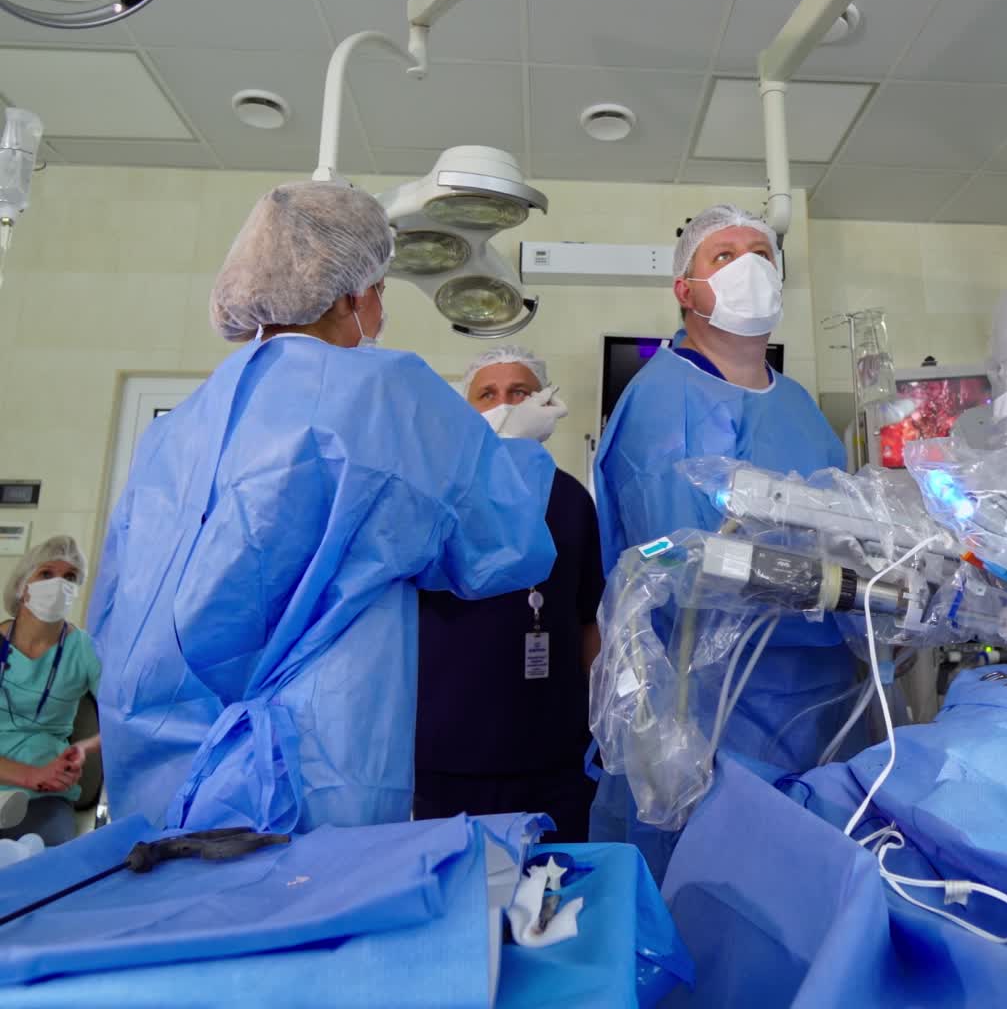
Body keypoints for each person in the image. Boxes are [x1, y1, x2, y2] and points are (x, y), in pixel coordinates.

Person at [90, 182, 557, 834]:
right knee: (315, 920)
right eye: (383, 287)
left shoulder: (179, 428)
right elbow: (495, 542)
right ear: (351, 294)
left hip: (160, 773)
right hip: (313, 766)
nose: (382, 303)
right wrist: (511, 449)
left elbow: (112, 607)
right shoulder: (382, 394)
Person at [591, 203, 856, 880]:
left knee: (803, 887)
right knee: (718, 891)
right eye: (724, 255)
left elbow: (847, 531)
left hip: (817, 694)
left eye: (761, 254)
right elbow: (689, 567)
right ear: (685, 290)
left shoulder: (796, 403)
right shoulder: (663, 401)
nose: (749, 268)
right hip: (709, 702)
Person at [415, 346, 603, 841]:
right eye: (488, 394)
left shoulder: (569, 499)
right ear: (466, 409)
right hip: (449, 749)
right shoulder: (436, 494)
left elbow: (589, 621)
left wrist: (607, 720)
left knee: (559, 892)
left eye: (520, 393)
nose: (506, 404)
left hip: (553, 751)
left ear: (543, 404)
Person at [0, 537, 100, 846]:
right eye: (46, 573)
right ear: (22, 584)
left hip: (45, 795)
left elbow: (124, 718)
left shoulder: (85, 651)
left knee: (42, 870)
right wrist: (29, 775)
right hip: (17, 777)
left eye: (70, 577)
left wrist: (85, 747)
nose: (59, 584)